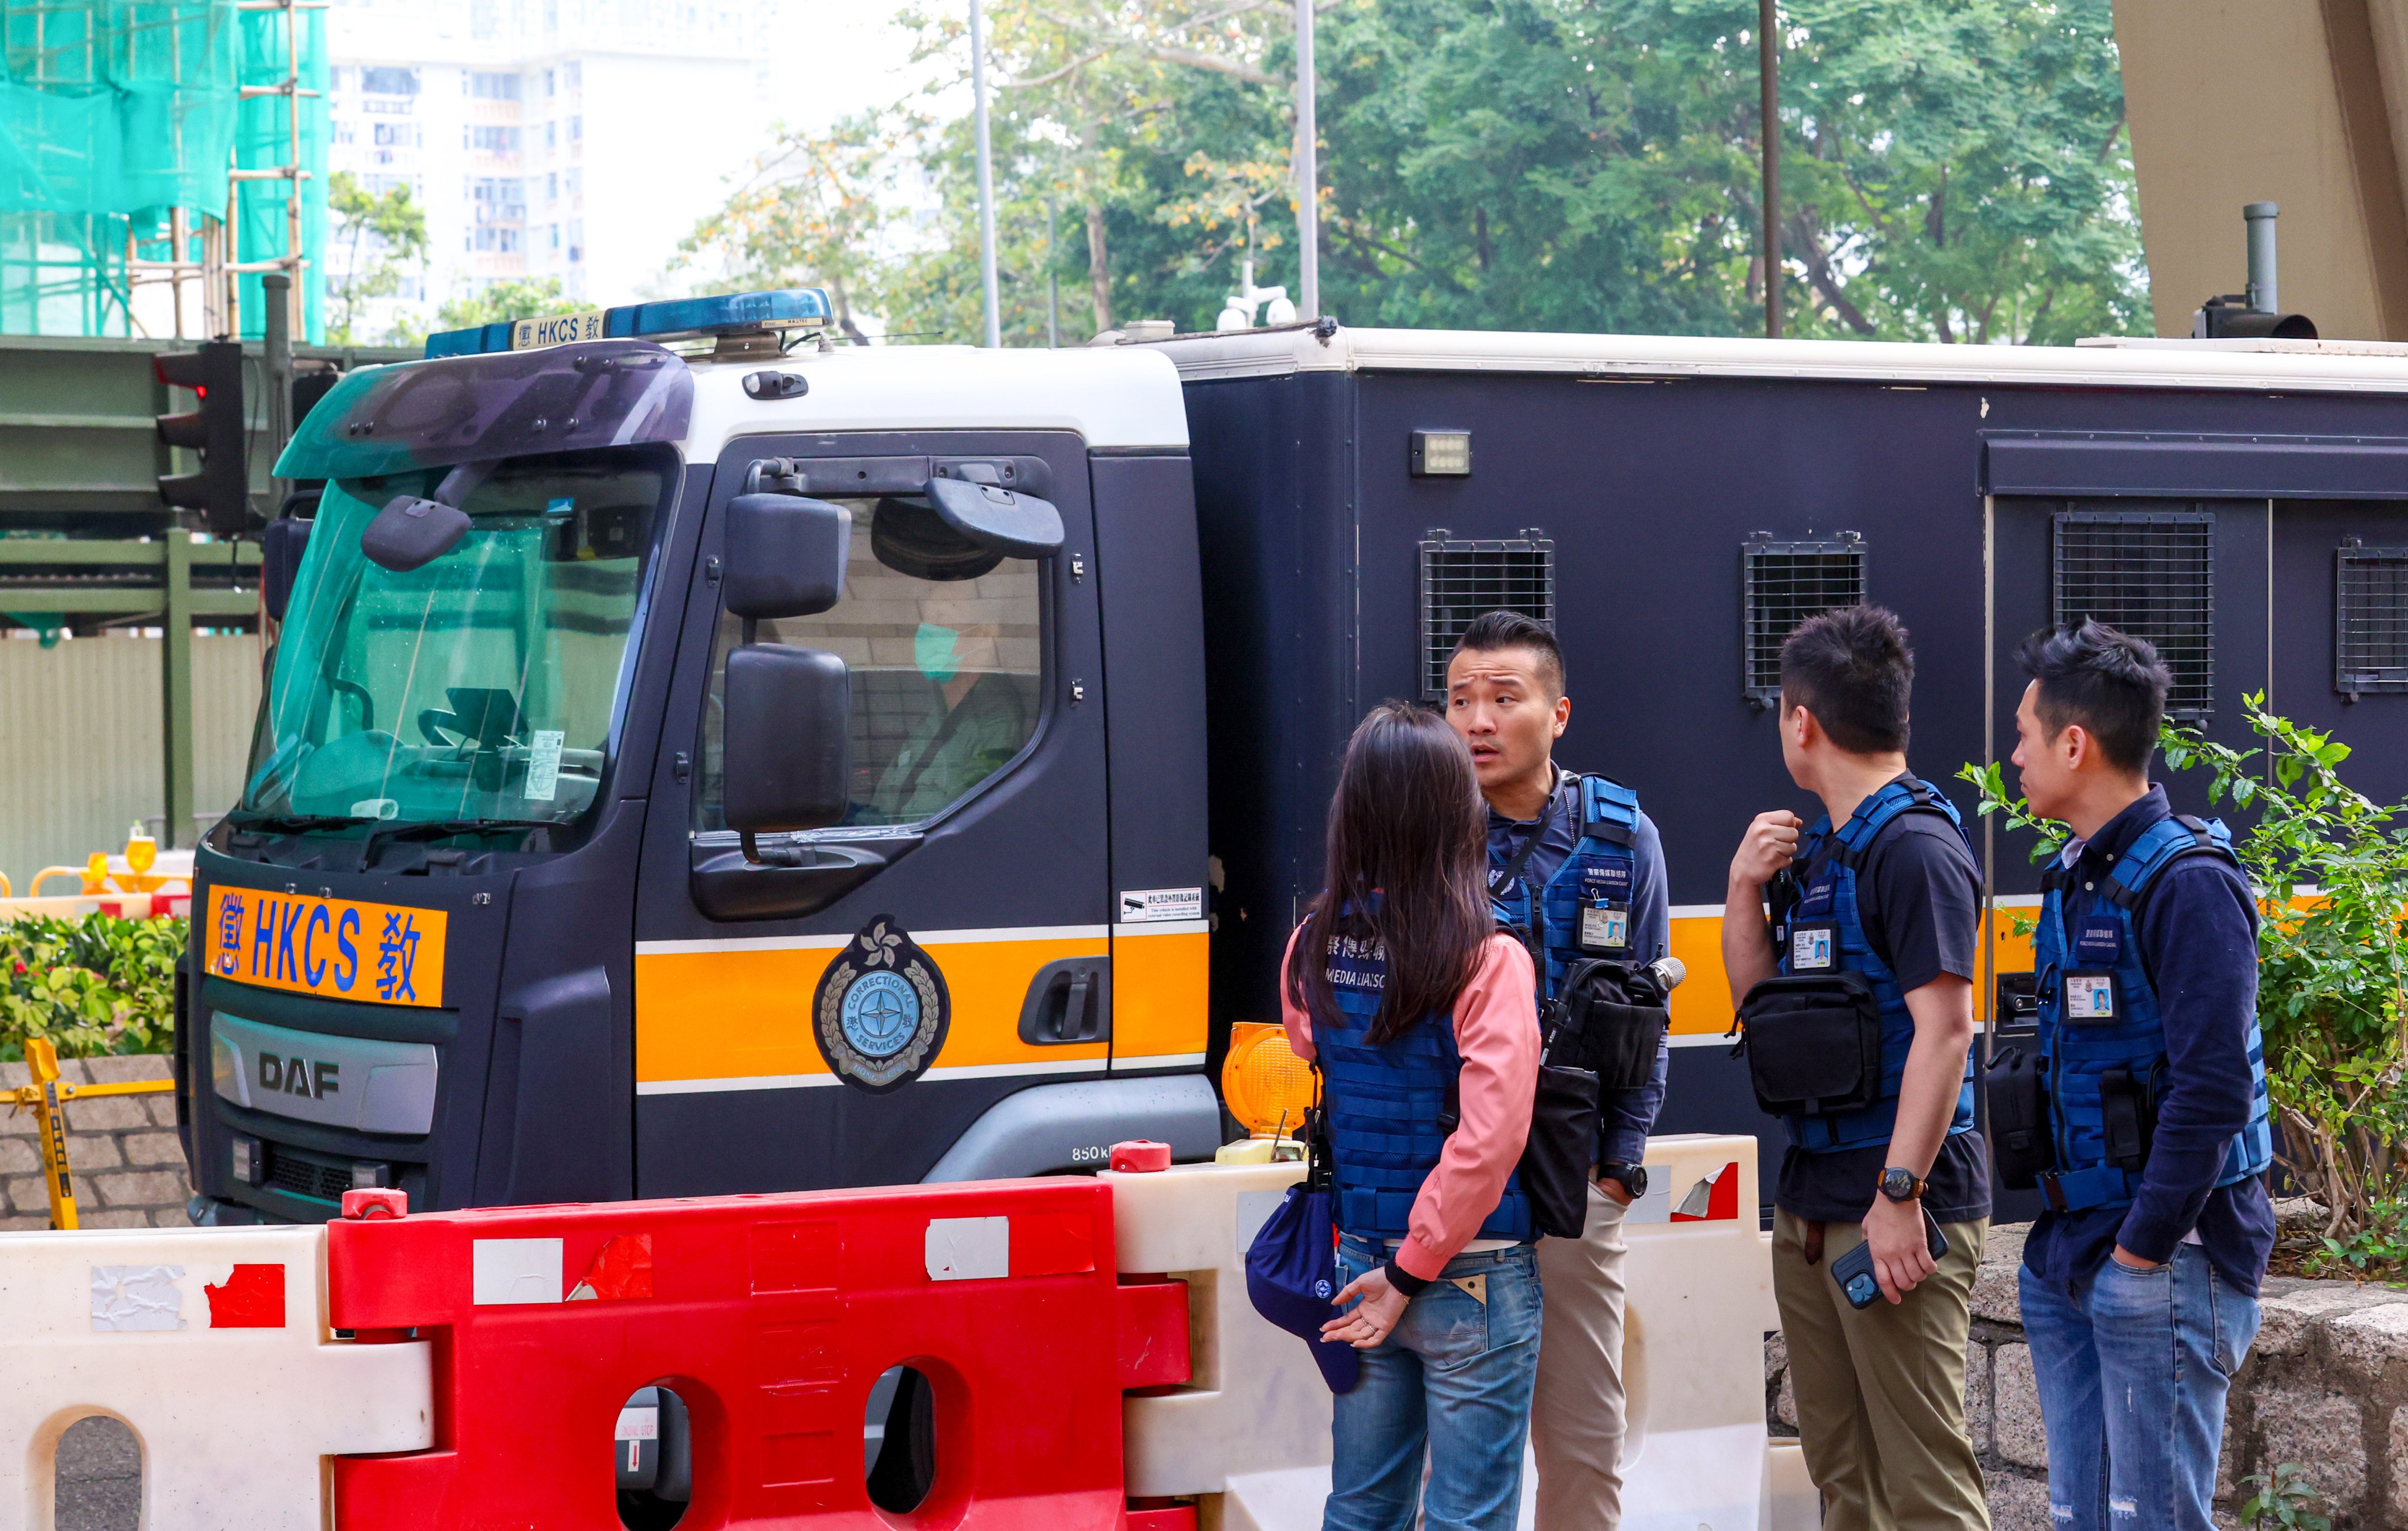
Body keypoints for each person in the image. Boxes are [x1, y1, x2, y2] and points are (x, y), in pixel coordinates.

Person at [1721, 604, 1991, 1531]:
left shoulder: (1914, 849)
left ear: (1802, 722)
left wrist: (1900, 1193)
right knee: (1844, 1478)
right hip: (1815, 1198)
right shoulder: (1824, 850)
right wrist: (1743, 888)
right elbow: (1767, 1015)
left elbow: (1947, 1031)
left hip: (1895, 1205)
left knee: (1923, 1486)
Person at [2006, 621, 2272, 1531]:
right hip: (2072, 1255)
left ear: (2075, 744)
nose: (2015, 757)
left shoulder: (2189, 884)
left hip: (2163, 1264)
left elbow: (2213, 1091)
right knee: (2082, 1518)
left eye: (2025, 736)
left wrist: (2139, 1256)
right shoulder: (2077, 878)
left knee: (2150, 1521)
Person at [1279, 700, 1543, 1531]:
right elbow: (1489, 1141)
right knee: (1468, 1519)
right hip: (1472, 1271)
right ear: (1457, 814)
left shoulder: (1312, 942)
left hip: (1358, 1254)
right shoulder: (1488, 957)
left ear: (1352, 811)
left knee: (1362, 1508)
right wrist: (1411, 1274)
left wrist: (1389, 1275)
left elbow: (1308, 1044)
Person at [1443, 610, 1670, 1531]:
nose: (1478, 721)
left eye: (1504, 698)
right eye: (1460, 700)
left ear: (1559, 713)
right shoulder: (1423, 833)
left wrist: (1620, 1166)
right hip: (1452, 1180)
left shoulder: (1621, 836)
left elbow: (1649, 1012)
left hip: (1578, 1177)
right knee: (1453, 1451)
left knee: (1584, 1438)